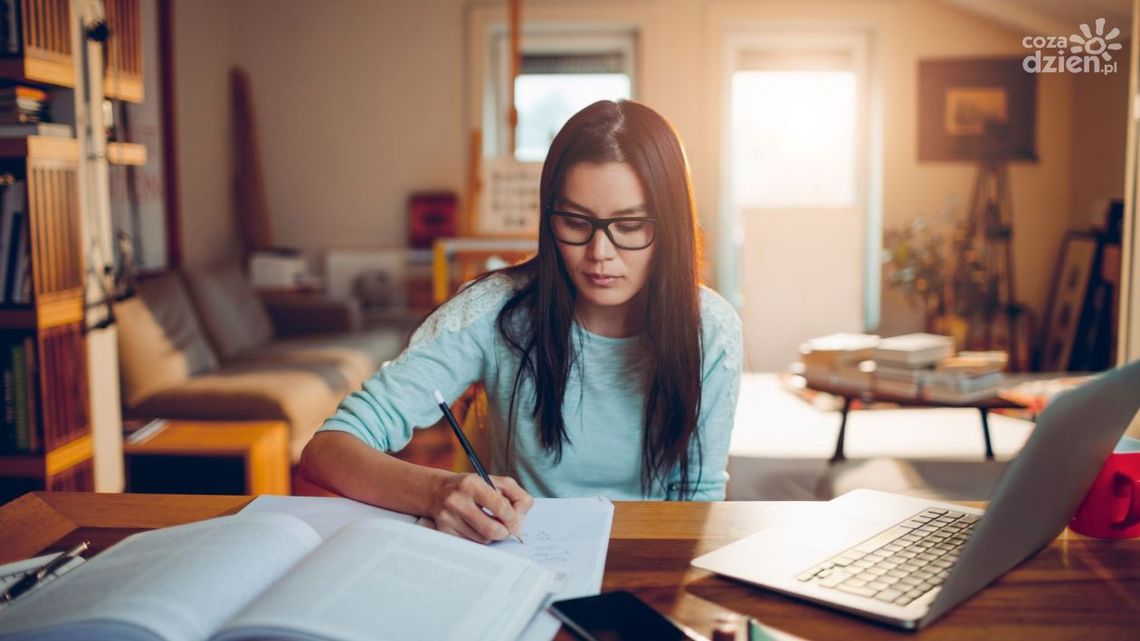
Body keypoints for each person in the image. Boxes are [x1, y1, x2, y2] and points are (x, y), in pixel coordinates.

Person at [300, 99, 742, 544]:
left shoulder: (711, 328)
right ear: (549, 218)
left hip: (650, 559)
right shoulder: (494, 311)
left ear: (670, 226)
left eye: (628, 226)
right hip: (520, 557)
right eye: (574, 221)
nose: (599, 253)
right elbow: (328, 450)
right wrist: (435, 492)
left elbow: (698, 502)